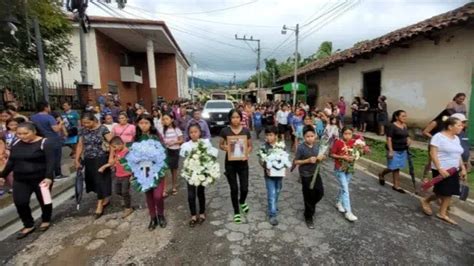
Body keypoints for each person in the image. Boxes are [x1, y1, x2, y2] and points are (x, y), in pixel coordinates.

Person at [0, 122, 54, 239]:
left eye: (25, 133)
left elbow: (51, 162)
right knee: (20, 202)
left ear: (34, 132)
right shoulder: (16, 143)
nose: (22, 136)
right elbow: (11, 162)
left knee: (45, 201)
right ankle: (28, 224)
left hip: (41, 179)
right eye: (19, 134)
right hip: (21, 179)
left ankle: (46, 219)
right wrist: (2, 175)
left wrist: (49, 177)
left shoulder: (45, 142)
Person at [420, 117, 467, 225]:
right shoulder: (438, 137)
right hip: (441, 168)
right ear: (450, 127)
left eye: (462, 125)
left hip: (453, 169)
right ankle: (426, 201)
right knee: (442, 191)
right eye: (459, 125)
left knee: (449, 192)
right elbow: (433, 153)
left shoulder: (456, 138)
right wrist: (440, 168)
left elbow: (458, 154)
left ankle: (442, 213)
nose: (462, 127)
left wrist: (463, 168)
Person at [75, 112, 113, 219]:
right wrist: (77, 160)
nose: (86, 125)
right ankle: (104, 196)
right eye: (84, 123)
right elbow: (80, 145)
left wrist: (112, 158)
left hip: (101, 158)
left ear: (94, 120)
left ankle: (99, 204)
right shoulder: (82, 131)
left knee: (100, 180)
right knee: (93, 180)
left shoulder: (103, 129)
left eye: (88, 122)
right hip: (88, 159)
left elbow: (112, 143)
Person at [134, 115, 167, 230]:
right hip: (144, 172)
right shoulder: (136, 138)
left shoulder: (156, 137)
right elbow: (132, 155)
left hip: (157, 170)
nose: (143, 125)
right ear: (138, 124)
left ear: (151, 124)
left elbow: (163, 151)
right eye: (141, 123)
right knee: (149, 195)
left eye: (146, 123)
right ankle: (153, 218)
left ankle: (161, 215)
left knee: (158, 196)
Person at [219, 109, 252, 224]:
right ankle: (236, 212)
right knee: (234, 189)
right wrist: (226, 148)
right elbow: (221, 145)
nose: (235, 119)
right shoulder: (225, 131)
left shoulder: (246, 131)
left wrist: (246, 154)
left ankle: (242, 201)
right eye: (233, 117)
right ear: (230, 119)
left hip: (243, 163)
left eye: (237, 117)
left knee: (245, 188)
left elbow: (249, 146)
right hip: (230, 164)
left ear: (241, 118)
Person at [180, 124, 215, 227]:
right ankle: (193, 215)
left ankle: (202, 213)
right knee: (191, 195)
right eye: (191, 132)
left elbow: (211, 156)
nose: (193, 134)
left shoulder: (205, 143)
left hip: (201, 173)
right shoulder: (186, 145)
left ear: (200, 132)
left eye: (195, 132)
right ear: (189, 134)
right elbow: (184, 158)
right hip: (190, 173)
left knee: (201, 192)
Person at [294, 126, 325, 229]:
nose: (310, 138)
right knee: (308, 196)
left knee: (320, 193)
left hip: (316, 174)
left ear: (315, 136)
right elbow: (296, 161)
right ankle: (308, 217)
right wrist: (307, 160)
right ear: (304, 137)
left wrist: (322, 157)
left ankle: (310, 207)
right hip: (305, 175)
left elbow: (323, 156)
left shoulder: (317, 146)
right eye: (307, 136)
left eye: (312, 136)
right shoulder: (301, 147)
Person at [98, 137, 134, 219]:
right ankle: (126, 198)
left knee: (124, 191)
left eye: (114, 147)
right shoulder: (117, 151)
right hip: (118, 175)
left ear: (121, 144)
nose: (113, 149)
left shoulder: (128, 152)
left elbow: (133, 164)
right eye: (112, 147)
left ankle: (128, 208)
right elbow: (114, 161)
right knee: (117, 191)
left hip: (126, 175)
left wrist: (132, 175)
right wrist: (104, 167)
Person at [378, 110, 410, 193]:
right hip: (394, 149)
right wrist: (391, 150)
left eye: (405, 116)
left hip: (402, 149)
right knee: (392, 167)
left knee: (397, 167)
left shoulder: (405, 126)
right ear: (397, 117)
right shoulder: (392, 126)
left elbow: (407, 136)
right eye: (403, 116)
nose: (405, 117)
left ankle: (396, 186)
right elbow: (389, 139)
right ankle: (381, 174)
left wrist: (409, 140)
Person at [31, 101, 65, 179]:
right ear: (46, 107)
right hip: (53, 139)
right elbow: (56, 129)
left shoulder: (33, 117)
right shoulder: (49, 117)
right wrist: (60, 123)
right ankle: (57, 174)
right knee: (56, 157)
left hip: (41, 139)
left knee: (46, 157)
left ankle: (48, 174)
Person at [331, 126, 358, 222]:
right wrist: (343, 157)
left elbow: (358, 152)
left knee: (344, 187)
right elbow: (332, 154)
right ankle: (348, 212)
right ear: (342, 134)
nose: (348, 136)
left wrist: (355, 156)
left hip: (349, 168)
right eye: (346, 133)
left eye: (350, 134)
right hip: (339, 168)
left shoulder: (354, 142)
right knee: (345, 189)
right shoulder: (337, 142)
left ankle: (338, 202)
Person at [259, 126, 284, 226]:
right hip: (269, 175)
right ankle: (272, 214)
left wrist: (284, 167)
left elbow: (284, 159)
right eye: (267, 135)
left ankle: (273, 205)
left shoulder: (281, 146)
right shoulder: (264, 147)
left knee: (277, 191)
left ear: (276, 136)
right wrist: (265, 168)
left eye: (271, 135)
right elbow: (260, 161)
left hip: (279, 174)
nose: (268, 137)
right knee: (272, 193)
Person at [422, 109, 456, 179]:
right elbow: (425, 132)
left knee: (441, 161)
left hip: (445, 145)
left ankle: (438, 177)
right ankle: (425, 176)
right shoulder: (435, 122)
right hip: (434, 145)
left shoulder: (448, 125)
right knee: (431, 161)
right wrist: (434, 137)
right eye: (449, 117)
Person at [159, 113, 183, 197]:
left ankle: (174, 186)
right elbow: (161, 140)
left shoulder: (176, 129)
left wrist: (174, 142)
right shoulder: (162, 130)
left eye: (167, 119)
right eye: (164, 119)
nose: (165, 121)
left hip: (175, 151)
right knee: (165, 170)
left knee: (174, 170)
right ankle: (164, 189)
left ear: (172, 119)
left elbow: (181, 140)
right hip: (166, 151)